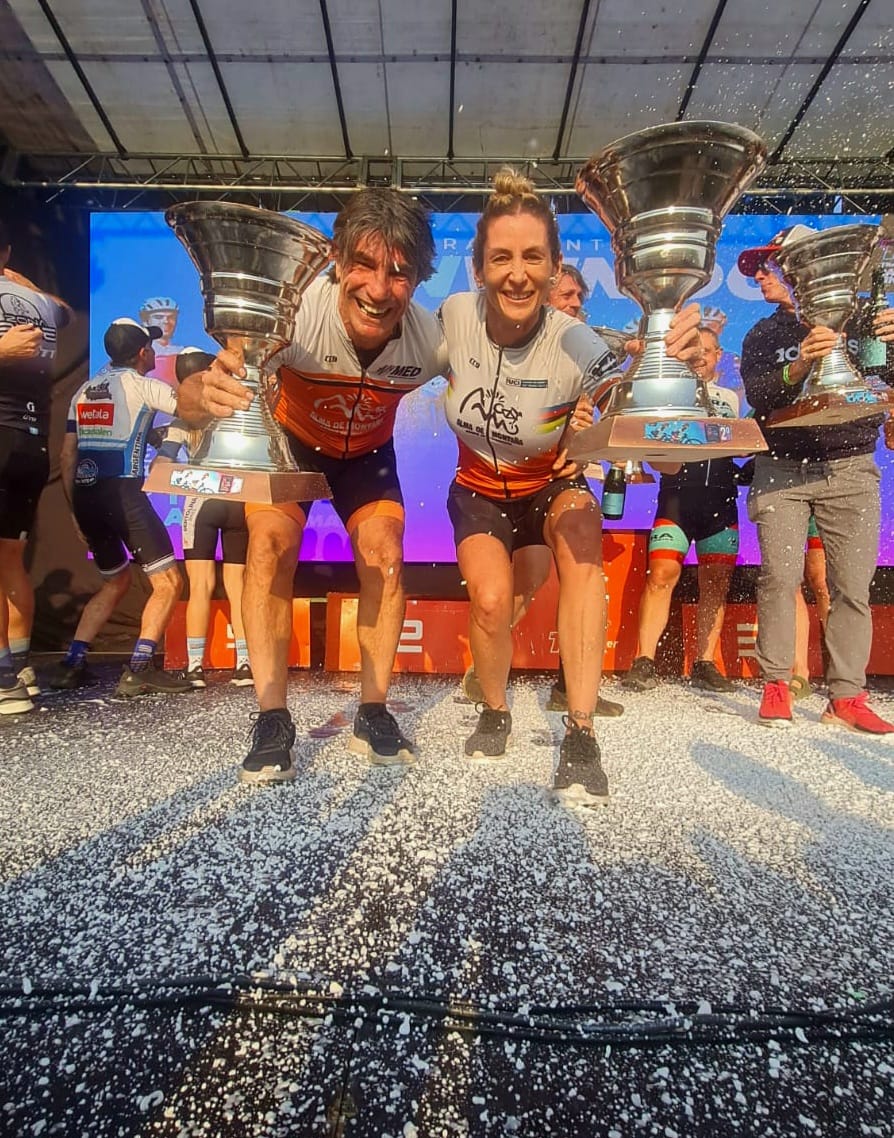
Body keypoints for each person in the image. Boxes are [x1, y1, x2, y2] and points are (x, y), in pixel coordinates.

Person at [437, 169, 702, 806]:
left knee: (583, 547)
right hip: (478, 488)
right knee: (493, 602)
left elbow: (655, 447)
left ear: (555, 269)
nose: (517, 274)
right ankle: (495, 708)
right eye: (501, 258)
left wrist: (671, 378)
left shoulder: (575, 338)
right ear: (478, 269)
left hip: (550, 486)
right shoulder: (453, 317)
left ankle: (581, 733)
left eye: (534, 258)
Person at [176, 190, 445, 783]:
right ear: (337, 263)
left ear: (419, 279)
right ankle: (272, 717)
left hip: (366, 455)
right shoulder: (293, 314)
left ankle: (372, 711)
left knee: (386, 556)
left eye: (400, 272)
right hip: (290, 444)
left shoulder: (433, 339)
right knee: (268, 549)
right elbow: (201, 389)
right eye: (364, 265)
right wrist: (197, 396)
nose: (379, 289)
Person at [738, 224, 894, 732]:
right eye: (760, 268)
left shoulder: (866, 318)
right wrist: (801, 362)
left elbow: (886, 381)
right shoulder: (763, 334)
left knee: (851, 587)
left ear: (805, 268)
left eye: (770, 265)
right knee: (779, 579)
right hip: (782, 469)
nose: (761, 275)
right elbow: (760, 396)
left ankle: (846, 695)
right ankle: (777, 683)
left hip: (851, 466)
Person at [460, 265, 624, 718]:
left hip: (561, 477)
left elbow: (610, 405)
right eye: (567, 295)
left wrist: (584, 436)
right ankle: (487, 665)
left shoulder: (584, 343)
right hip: (505, 480)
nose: (575, 303)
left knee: (583, 564)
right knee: (527, 579)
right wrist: (562, 428)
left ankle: (574, 689)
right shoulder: (503, 341)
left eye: (580, 297)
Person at [48, 318, 192, 698]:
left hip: (85, 495)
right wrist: (172, 441)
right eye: (151, 347)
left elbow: (67, 455)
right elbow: (192, 411)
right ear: (143, 352)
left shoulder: (84, 390)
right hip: (123, 493)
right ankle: (140, 669)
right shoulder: (144, 386)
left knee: (116, 581)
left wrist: (75, 512)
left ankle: (72, 663)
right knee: (169, 581)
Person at [623, 327, 741, 694]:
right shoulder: (672, 395)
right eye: (694, 350)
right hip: (676, 498)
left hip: (721, 501)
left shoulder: (731, 399)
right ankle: (644, 660)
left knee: (716, 583)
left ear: (718, 355)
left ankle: (704, 662)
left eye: (708, 350)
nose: (701, 357)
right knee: (661, 575)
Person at [0, 219, 72, 711]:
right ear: (7, 252)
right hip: (30, 443)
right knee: (9, 558)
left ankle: (4, 679)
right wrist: (26, 284)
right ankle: (21, 667)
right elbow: (63, 311)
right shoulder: (43, 305)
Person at [156, 348, 252, 688]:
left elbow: (164, 461)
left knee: (200, 587)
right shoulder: (235, 410)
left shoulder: (183, 420)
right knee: (239, 586)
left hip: (200, 504)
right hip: (238, 499)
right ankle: (245, 664)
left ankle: (195, 667)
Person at [139, 297, 182, 388]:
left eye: (171, 317)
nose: (166, 321)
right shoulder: (136, 355)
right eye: (158, 317)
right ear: (146, 321)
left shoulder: (182, 352)